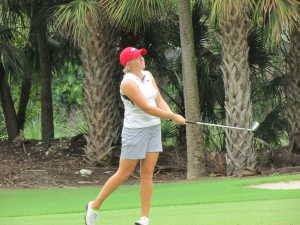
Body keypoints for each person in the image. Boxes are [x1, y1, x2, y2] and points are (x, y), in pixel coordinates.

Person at [85, 47, 186, 225]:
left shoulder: (147, 75)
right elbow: (146, 108)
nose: (141, 59)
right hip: (135, 131)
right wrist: (172, 117)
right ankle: (94, 207)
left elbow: (159, 101)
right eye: (137, 57)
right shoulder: (128, 83)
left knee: (147, 173)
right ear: (128, 63)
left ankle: (144, 218)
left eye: (141, 56)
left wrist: (172, 115)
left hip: (153, 128)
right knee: (124, 173)